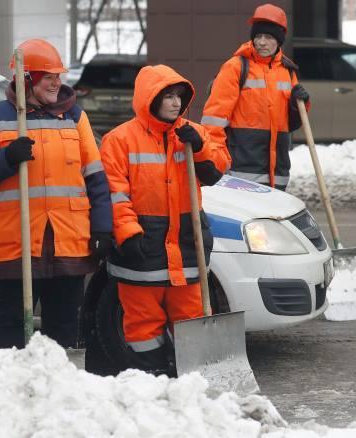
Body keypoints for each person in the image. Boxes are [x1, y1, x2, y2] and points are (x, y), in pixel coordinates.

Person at [0, 39, 112, 349]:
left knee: (65, 323)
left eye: (59, 76)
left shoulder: (74, 117)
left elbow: (96, 178)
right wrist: (7, 158)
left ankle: (59, 388)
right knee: (12, 325)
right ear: (26, 80)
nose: (57, 83)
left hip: (67, 242)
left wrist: (102, 227)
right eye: (49, 77)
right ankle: (13, 385)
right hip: (16, 244)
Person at [100, 64, 231, 375]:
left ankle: (192, 381)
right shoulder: (120, 140)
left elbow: (216, 171)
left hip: (186, 246)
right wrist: (128, 234)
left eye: (179, 97)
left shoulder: (192, 134)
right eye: (168, 96)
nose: (175, 103)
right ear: (150, 98)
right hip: (141, 249)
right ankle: (152, 376)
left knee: (191, 317)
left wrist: (198, 149)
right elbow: (113, 194)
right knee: (143, 323)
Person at [201, 3, 310, 191]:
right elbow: (214, 119)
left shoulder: (288, 71)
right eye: (258, 36)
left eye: (268, 37)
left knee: (272, 219)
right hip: (242, 169)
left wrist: (300, 104)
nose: (261, 42)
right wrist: (214, 158)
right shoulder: (236, 67)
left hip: (278, 170)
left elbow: (291, 123)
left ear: (279, 40)